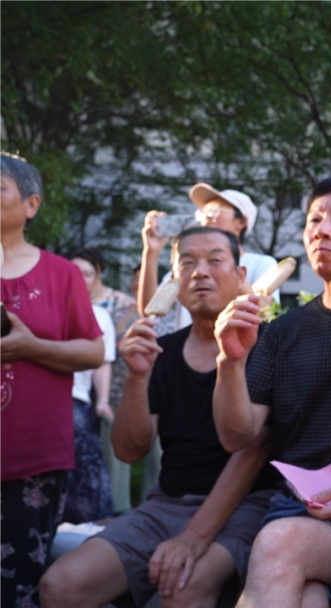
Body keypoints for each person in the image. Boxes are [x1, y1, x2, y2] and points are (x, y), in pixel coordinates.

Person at [41, 227, 278, 608]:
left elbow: (252, 447)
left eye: (215, 260)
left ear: (240, 276)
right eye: (187, 263)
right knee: (61, 586)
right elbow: (129, 450)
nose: (200, 272)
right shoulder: (161, 351)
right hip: (168, 503)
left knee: (181, 588)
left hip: (247, 505)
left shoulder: (268, 343)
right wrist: (137, 377)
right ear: (175, 281)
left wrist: (194, 537)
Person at [213, 175, 331, 607]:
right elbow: (236, 435)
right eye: (314, 220)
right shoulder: (282, 332)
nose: (322, 230)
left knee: (280, 544)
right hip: (296, 507)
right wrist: (229, 361)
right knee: (308, 597)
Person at [1, 152, 105, 607]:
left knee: (19, 583)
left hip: (33, 455)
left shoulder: (60, 274)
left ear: (31, 204)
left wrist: (31, 347)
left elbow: (93, 351)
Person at [138, 183, 279, 335]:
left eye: (214, 211)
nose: (206, 218)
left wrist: (230, 269)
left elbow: (267, 311)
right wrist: (151, 251)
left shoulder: (262, 263)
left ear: (241, 222)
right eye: (203, 212)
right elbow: (149, 310)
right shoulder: (187, 266)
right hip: (189, 347)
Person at [70, 247, 140, 514]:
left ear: (97, 275)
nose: (80, 279)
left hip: (90, 398)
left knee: (90, 468)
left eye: (87, 273)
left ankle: (103, 518)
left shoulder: (106, 311)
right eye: (73, 272)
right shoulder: (45, 306)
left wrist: (103, 400)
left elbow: (104, 361)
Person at [63, 298, 116, 524]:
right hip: (32, 403)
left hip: (77, 402)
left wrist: (103, 400)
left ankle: (91, 528)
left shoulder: (99, 315)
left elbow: (103, 362)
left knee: (85, 473)